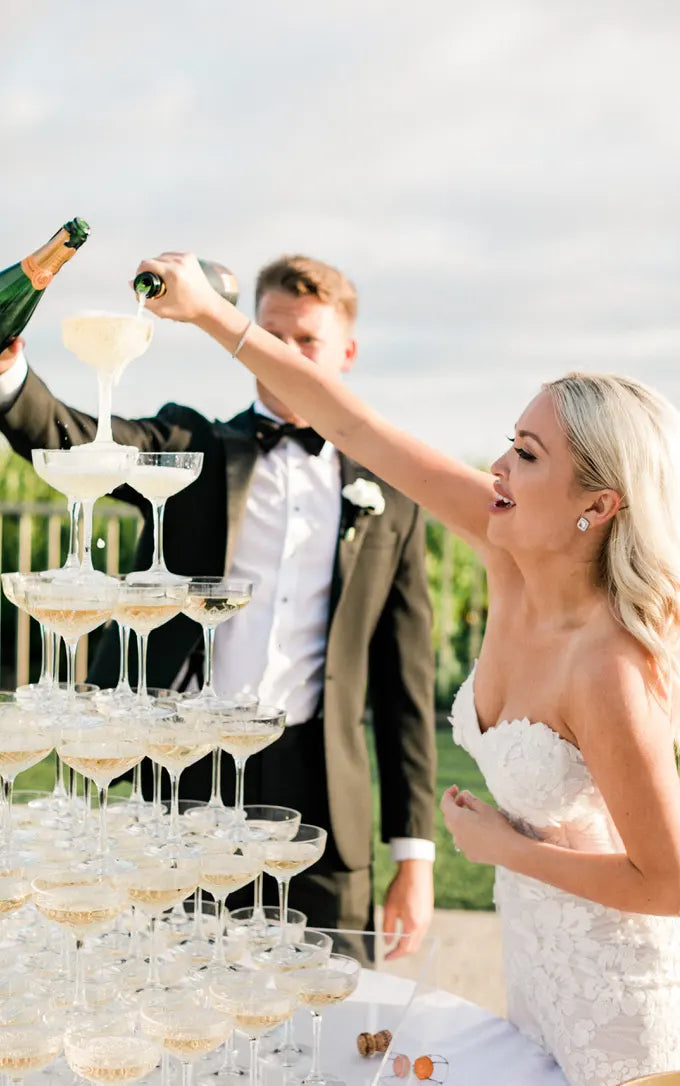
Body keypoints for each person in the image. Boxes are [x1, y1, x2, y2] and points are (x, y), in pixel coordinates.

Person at [136, 251, 680, 1086]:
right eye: (510, 443)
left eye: (527, 454)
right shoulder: (507, 546)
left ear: (597, 505)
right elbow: (356, 428)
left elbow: (672, 888)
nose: (498, 467)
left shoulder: (609, 668)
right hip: (543, 954)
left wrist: (503, 848)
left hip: (623, 982)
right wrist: (210, 315)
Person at [0, 254, 437, 957]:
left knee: (334, 990)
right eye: (271, 334)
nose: (285, 354)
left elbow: (404, 685)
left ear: (347, 353)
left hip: (322, 787)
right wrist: (9, 376)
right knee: (175, 980)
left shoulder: (392, 493)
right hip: (189, 770)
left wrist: (414, 858)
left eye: (307, 341)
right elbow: (77, 439)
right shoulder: (194, 447)